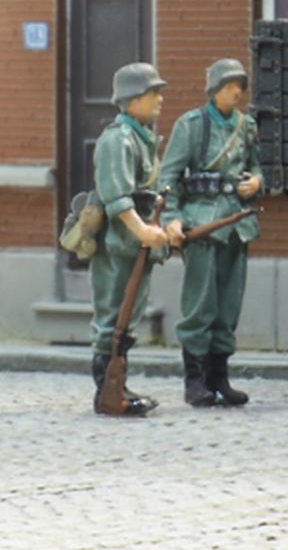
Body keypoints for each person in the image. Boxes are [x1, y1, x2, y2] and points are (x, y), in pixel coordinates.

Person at [157, 58, 264, 407]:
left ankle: (219, 377)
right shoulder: (191, 125)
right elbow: (168, 179)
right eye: (232, 86)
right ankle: (195, 381)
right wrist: (171, 219)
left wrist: (257, 182)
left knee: (228, 305)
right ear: (216, 89)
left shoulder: (246, 126)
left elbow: (256, 168)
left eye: (240, 86)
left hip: (237, 224)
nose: (238, 92)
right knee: (200, 304)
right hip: (203, 223)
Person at [88, 62, 180, 416]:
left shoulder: (140, 137)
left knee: (129, 316)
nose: (159, 99)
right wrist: (142, 230)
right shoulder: (118, 139)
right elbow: (117, 198)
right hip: (120, 244)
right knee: (114, 316)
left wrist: (162, 228)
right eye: (152, 93)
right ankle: (108, 392)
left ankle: (118, 386)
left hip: (137, 245)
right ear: (132, 99)